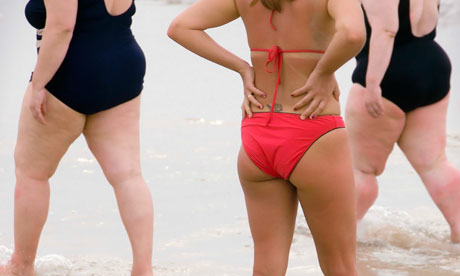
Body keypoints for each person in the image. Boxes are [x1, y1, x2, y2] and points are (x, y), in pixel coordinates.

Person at [168, 0, 365, 274]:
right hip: (313, 131)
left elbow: (180, 27)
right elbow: (354, 33)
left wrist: (243, 68)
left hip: (257, 134)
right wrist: (323, 72)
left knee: (266, 265)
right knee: (340, 267)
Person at [0, 0, 154, 275]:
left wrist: (38, 84)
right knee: (128, 176)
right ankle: (143, 269)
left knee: (32, 173)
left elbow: (61, 27)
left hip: (71, 67)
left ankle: (21, 266)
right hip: (123, 65)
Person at [346, 0, 460, 242]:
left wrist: (373, 83)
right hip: (432, 66)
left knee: (362, 169)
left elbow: (387, 29)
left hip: (386, 73)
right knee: (435, 164)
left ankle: (345, 240)